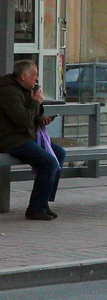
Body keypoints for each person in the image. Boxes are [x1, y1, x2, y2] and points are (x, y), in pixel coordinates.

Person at [0, 60, 66, 220]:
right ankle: (35, 209)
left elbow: (30, 116)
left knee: (59, 153)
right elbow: (21, 119)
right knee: (49, 163)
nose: (37, 79)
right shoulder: (8, 91)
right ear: (23, 76)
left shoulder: (25, 89)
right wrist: (36, 102)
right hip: (10, 139)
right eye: (34, 75)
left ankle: (43, 203)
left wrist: (41, 119)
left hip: (25, 136)